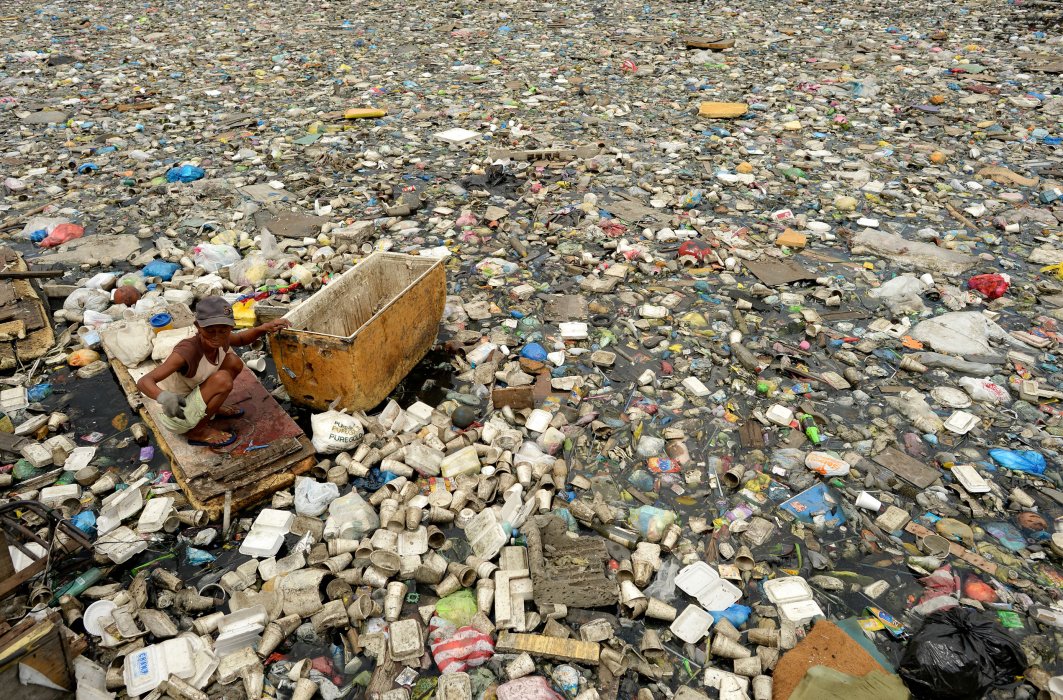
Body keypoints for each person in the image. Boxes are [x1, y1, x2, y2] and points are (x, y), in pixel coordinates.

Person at [136, 296, 289, 448]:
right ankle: (198, 431)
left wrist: (264, 328)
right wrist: (163, 396)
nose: (216, 337)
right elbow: (144, 381)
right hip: (176, 414)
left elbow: (241, 339)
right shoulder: (186, 351)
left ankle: (212, 409)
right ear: (198, 327)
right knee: (222, 379)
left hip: (193, 396)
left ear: (230, 328)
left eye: (223, 331)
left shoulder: (223, 337)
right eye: (210, 331)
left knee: (233, 362)